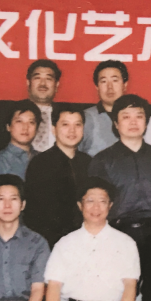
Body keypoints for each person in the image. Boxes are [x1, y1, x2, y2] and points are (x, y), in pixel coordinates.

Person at [89, 94, 151, 252]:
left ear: (146, 122)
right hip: (118, 233)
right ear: (116, 123)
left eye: (139, 116)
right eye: (126, 117)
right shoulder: (102, 160)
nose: (133, 122)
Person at [24, 105, 92, 247]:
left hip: (86, 240)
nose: (72, 131)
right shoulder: (40, 164)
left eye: (77, 125)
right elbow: (35, 214)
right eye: (65, 125)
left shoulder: (89, 162)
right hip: (51, 242)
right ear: (54, 129)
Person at [0, 101, 41, 211]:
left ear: (37, 128)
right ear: (8, 126)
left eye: (31, 122)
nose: (25, 127)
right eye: (19, 121)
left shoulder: (43, 160)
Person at [80, 60, 128, 156]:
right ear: (97, 87)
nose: (110, 87)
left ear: (125, 85)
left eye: (115, 80)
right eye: (104, 81)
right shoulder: (84, 118)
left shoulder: (137, 116)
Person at [26, 59, 61, 153]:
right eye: (37, 78)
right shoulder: (13, 113)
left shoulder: (65, 114)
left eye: (48, 79)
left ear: (56, 85)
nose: (42, 84)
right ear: (28, 83)